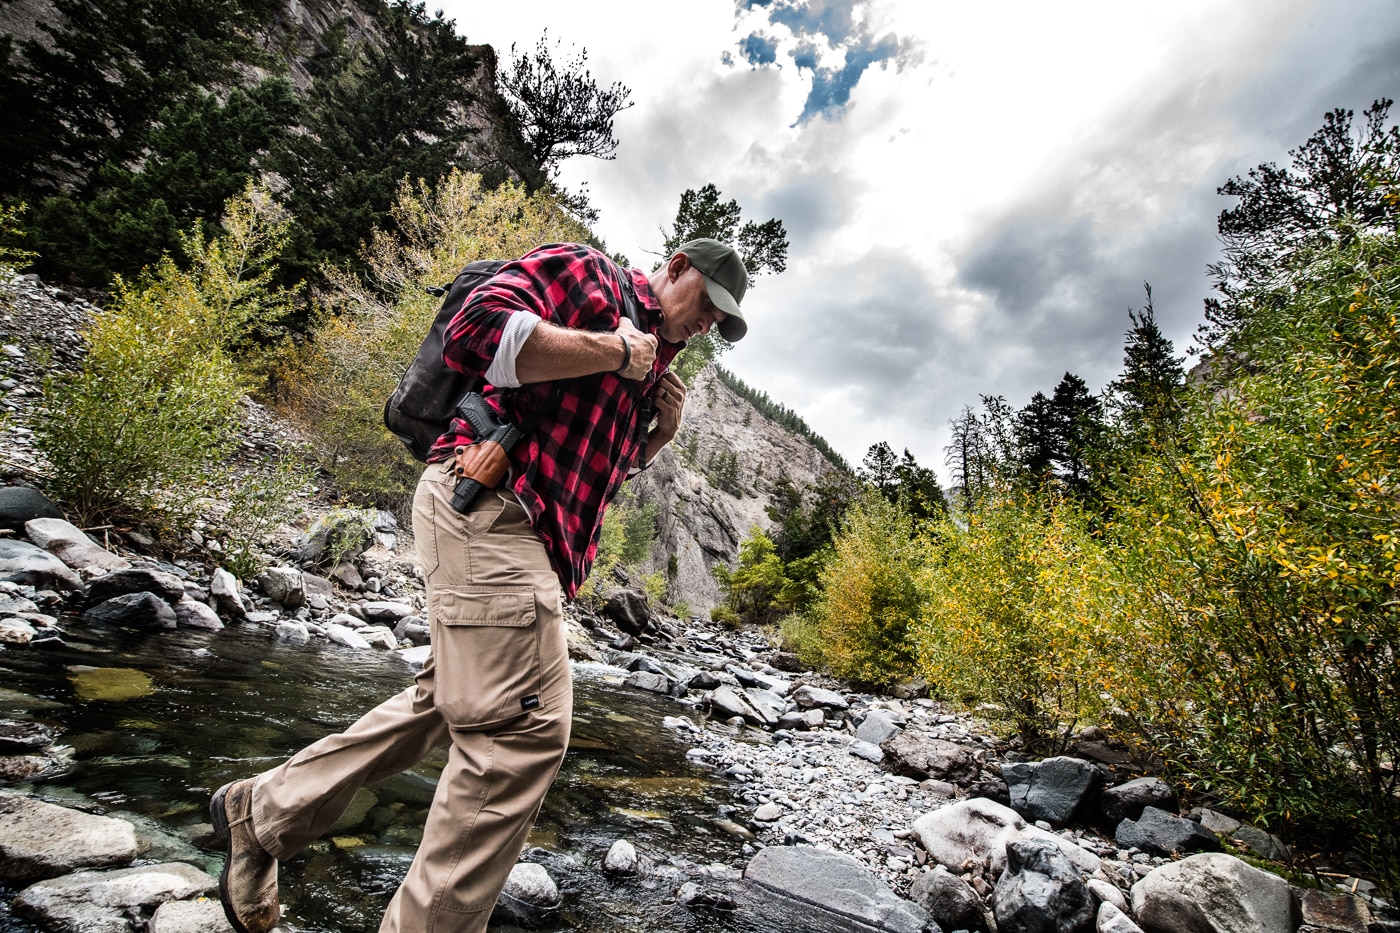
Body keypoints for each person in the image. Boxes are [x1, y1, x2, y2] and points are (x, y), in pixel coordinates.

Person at [209, 238, 750, 933]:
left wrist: (656, 438)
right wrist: (615, 351)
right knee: (522, 727)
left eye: (720, 320)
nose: (708, 321)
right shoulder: (596, 280)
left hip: (521, 538)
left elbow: (590, 482)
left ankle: (261, 816)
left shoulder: (653, 369)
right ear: (675, 268)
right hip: (483, 507)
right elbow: (478, 325)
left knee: (447, 702)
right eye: (706, 301)